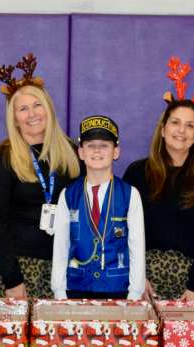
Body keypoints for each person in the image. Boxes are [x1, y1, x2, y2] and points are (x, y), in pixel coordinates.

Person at [122, 57, 194, 300]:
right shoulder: (137, 173)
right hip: (143, 281)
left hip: (193, 284)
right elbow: (122, 229)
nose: (181, 130)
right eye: (176, 123)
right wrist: (136, 276)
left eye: (190, 126)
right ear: (163, 128)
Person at [0, 53, 80, 299]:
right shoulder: (5, 157)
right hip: (20, 268)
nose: (32, 114)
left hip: (64, 266)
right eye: (23, 109)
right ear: (15, 119)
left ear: (48, 108)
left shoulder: (71, 151)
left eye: (37, 105)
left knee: (58, 338)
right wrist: (12, 279)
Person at [51, 115, 145, 300]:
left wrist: (135, 293)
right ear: (81, 152)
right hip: (76, 288)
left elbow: (137, 246)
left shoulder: (130, 194)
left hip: (118, 289)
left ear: (116, 151)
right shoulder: (68, 195)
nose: (97, 151)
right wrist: (59, 291)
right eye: (90, 145)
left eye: (104, 145)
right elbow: (61, 246)